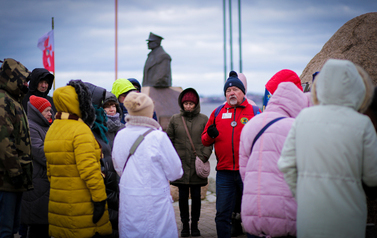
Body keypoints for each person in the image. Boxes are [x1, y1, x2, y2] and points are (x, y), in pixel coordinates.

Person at [278, 59, 377, 238]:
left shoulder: (303, 118)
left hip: (309, 219)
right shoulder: (362, 124)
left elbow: (286, 164)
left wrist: (302, 195)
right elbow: (372, 177)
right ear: (357, 87)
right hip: (349, 220)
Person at [239, 76, 309, 237]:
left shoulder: (251, 125)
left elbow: (244, 171)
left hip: (252, 208)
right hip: (285, 210)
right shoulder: (296, 127)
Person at [44, 80, 112, 238]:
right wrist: (100, 199)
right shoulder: (80, 130)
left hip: (59, 204)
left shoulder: (53, 129)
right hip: (82, 207)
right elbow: (89, 170)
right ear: (78, 103)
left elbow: (50, 171)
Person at [112, 92, 183, 238]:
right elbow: (176, 172)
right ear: (150, 113)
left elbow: (118, 167)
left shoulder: (120, 134)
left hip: (129, 200)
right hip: (156, 202)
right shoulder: (158, 137)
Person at [201, 71, 260, 238]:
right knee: (222, 214)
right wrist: (210, 135)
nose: (231, 93)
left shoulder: (255, 112)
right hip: (224, 173)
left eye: (235, 89)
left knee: (251, 214)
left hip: (247, 172)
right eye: (228, 91)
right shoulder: (217, 112)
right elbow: (204, 141)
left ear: (243, 92)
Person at [167, 88, 213, 237]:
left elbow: (209, 141)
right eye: (186, 103)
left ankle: (195, 225)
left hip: (197, 165)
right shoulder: (175, 119)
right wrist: (173, 160)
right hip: (180, 165)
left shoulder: (204, 119)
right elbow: (169, 141)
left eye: (191, 103)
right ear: (182, 103)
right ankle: (185, 225)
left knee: (196, 197)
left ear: (196, 104)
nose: (188, 106)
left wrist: (205, 156)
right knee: (181, 197)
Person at [0, 58, 33, 238]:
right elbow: (3, 141)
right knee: (5, 231)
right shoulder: (3, 102)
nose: (26, 84)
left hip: (15, 179)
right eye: (23, 80)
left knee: (13, 230)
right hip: (6, 180)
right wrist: (15, 172)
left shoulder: (14, 101)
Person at [84, 82, 120, 238]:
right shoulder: (95, 129)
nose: (112, 109)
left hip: (118, 179)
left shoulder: (123, 129)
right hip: (105, 178)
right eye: (107, 106)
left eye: (114, 106)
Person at [20, 95, 54, 238]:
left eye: (50, 110)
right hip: (37, 185)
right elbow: (40, 152)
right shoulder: (31, 127)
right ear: (37, 112)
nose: (50, 113)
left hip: (43, 184)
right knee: (37, 228)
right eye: (46, 111)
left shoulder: (45, 127)